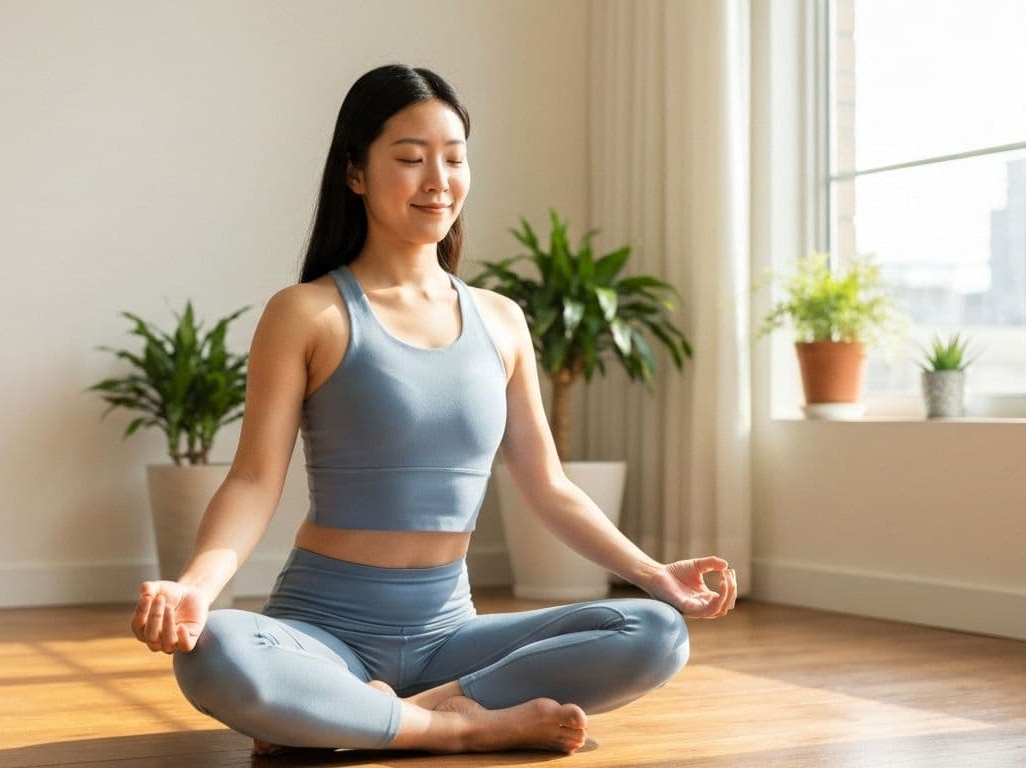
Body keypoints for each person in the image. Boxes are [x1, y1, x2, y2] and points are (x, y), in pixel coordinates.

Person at [129, 63, 737, 756]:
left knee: (657, 634)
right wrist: (195, 588)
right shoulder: (307, 313)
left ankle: (374, 718)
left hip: (449, 633)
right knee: (212, 652)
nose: (437, 180)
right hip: (322, 629)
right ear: (355, 173)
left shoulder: (501, 321)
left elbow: (547, 484)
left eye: (453, 158)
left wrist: (655, 575)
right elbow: (253, 480)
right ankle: (458, 726)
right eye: (411, 159)